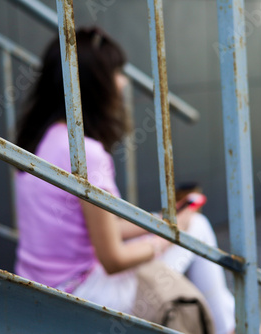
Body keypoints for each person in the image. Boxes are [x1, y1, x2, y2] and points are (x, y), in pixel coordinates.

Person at [14, 27, 237, 334]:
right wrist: (173, 233)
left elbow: (99, 228)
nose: (123, 82)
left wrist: (162, 221)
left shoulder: (39, 140)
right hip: (81, 295)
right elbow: (113, 258)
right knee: (197, 229)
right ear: (96, 84)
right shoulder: (86, 153)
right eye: (117, 71)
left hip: (37, 287)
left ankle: (232, 326)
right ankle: (230, 329)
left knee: (188, 227)